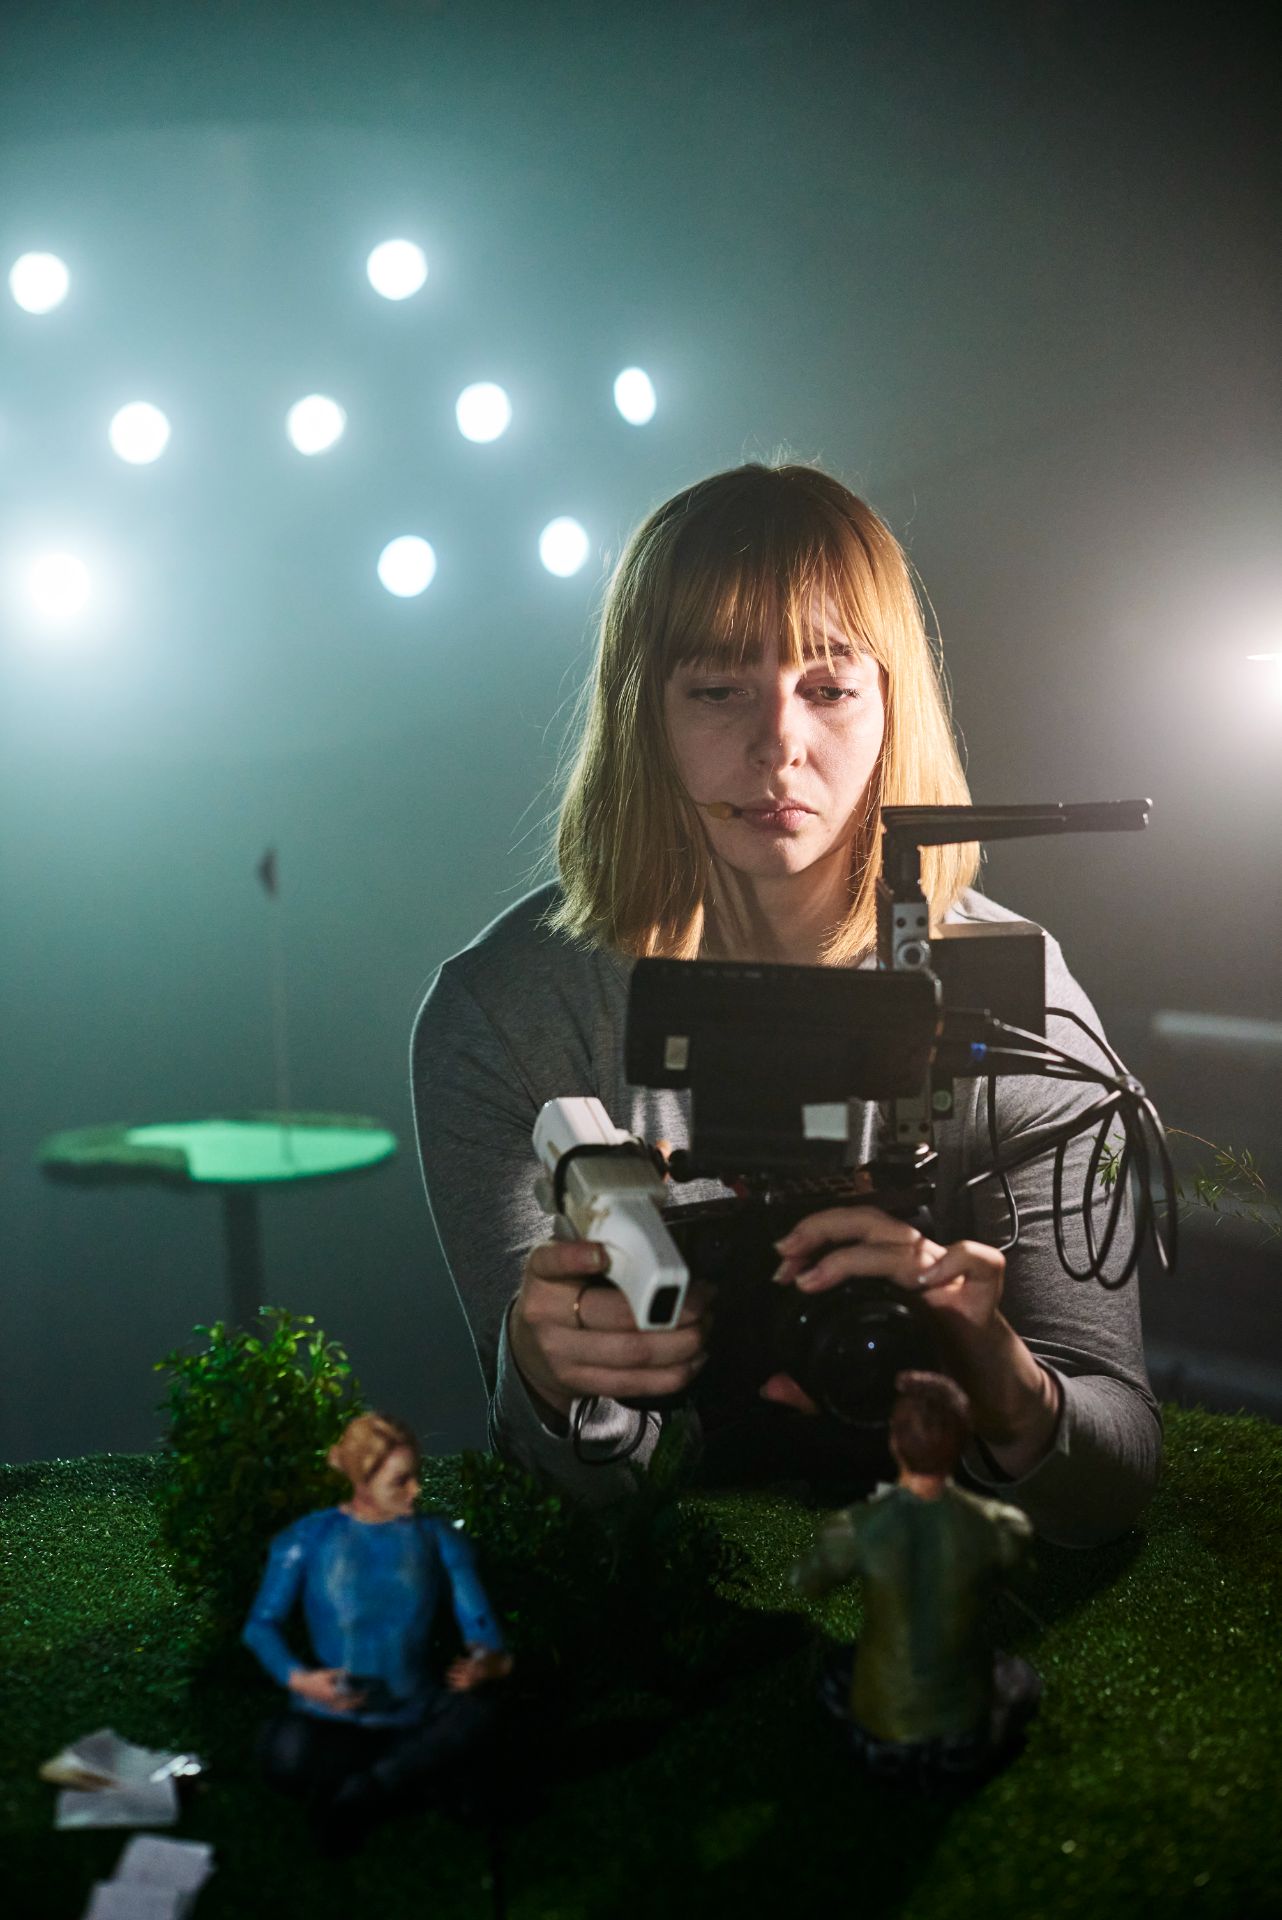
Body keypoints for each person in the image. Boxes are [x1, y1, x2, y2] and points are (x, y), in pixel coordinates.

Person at [411, 461, 1161, 1546]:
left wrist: (1001, 1382)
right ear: (641, 713)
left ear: (892, 702)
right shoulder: (509, 1018)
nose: (778, 746)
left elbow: (1111, 1467)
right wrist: (547, 1378)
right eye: (717, 690)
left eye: (829, 687)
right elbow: (563, 1505)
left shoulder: (1015, 997)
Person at [243, 1412, 513, 1848]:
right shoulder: (307, 1539)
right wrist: (303, 1681)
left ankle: (369, 1789)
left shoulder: (439, 1539)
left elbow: (482, 1629)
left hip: (417, 1709)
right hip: (337, 1715)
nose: (416, 1490)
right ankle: (418, 1776)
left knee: (482, 1714)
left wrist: (485, 1664)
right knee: (284, 1752)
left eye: (416, 1476)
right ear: (363, 1482)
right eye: (400, 1481)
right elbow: (261, 1625)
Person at [791, 1371, 1039, 1789]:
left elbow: (806, 1581)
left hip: (878, 1740)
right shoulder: (1000, 1526)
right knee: (1016, 1677)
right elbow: (1022, 1578)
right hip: (965, 1739)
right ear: (963, 1440)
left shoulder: (855, 1527)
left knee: (837, 1669)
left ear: (894, 1441)